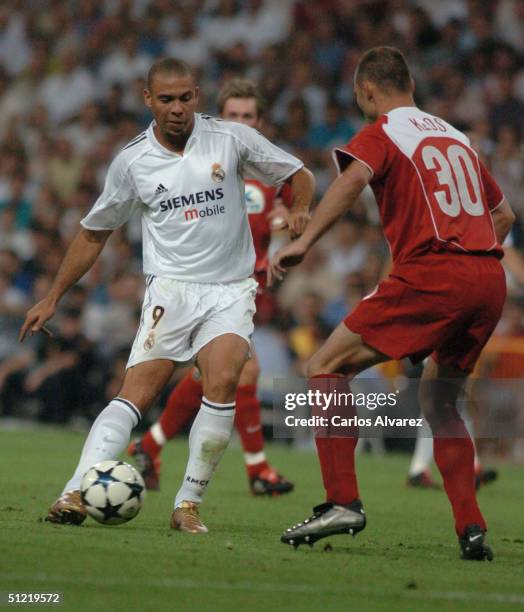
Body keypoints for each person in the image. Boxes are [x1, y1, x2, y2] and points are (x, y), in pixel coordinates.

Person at [20, 58, 315, 533]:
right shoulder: (132, 161)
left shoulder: (231, 138)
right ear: (148, 100)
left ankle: (187, 505)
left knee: (222, 385)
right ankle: (73, 490)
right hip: (171, 291)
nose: (177, 109)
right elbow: (94, 232)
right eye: (166, 100)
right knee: (135, 394)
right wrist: (54, 294)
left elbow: (299, 173)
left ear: (196, 96)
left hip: (230, 291)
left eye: (185, 98)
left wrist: (300, 211)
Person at [269, 46, 515, 560]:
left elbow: (353, 180)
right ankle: (472, 529)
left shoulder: (383, 132)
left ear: (368, 90)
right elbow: (505, 215)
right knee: (440, 403)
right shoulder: (455, 136)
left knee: (325, 366)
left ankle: (342, 502)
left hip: (433, 273)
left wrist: (304, 240)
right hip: (487, 278)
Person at [128, 78, 299, 496]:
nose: (241, 122)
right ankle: (257, 467)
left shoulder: (271, 175)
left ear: (259, 122)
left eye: (248, 116)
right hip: (193, 286)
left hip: (243, 289)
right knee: (240, 371)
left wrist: (283, 238)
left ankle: (150, 444)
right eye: (233, 116)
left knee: (215, 375)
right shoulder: (197, 163)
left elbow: (288, 222)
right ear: (220, 118)